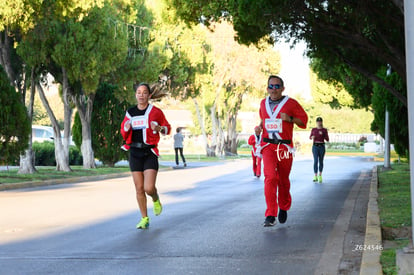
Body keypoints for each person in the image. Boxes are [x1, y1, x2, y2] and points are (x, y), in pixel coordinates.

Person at [259, 75, 308, 227]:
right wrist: (259, 127)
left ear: (282, 88)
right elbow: (264, 120)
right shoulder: (263, 103)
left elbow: (304, 122)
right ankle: (270, 214)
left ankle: (284, 206)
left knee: (283, 179)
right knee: (270, 177)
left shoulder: (291, 103)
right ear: (267, 88)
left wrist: (290, 119)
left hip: (284, 147)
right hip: (268, 146)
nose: (274, 89)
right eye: (271, 86)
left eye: (277, 86)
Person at [121, 83, 171, 229]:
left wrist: (159, 128)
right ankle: (144, 218)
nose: (141, 95)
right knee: (139, 188)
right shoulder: (130, 113)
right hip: (134, 153)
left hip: (149, 152)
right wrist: (126, 128)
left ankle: (155, 199)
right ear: (135, 95)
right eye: (138, 92)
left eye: (144, 93)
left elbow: (167, 129)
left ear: (149, 95)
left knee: (149, 188)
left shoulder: (156, 112)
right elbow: (123, 132)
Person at [310, 117, 329, 183]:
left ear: (322, 122)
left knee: (321, 161)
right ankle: (315, 175)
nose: (319, 123)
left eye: (320, 121)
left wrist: (323, 135)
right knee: (315, 161)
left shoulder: (324, 130)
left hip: (321, 146)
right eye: (318, 121)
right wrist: (312, 137)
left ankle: (320, 175)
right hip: (315, 146)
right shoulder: (313, 129)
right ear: (316, 122)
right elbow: (310, 137)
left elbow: (327, 139)